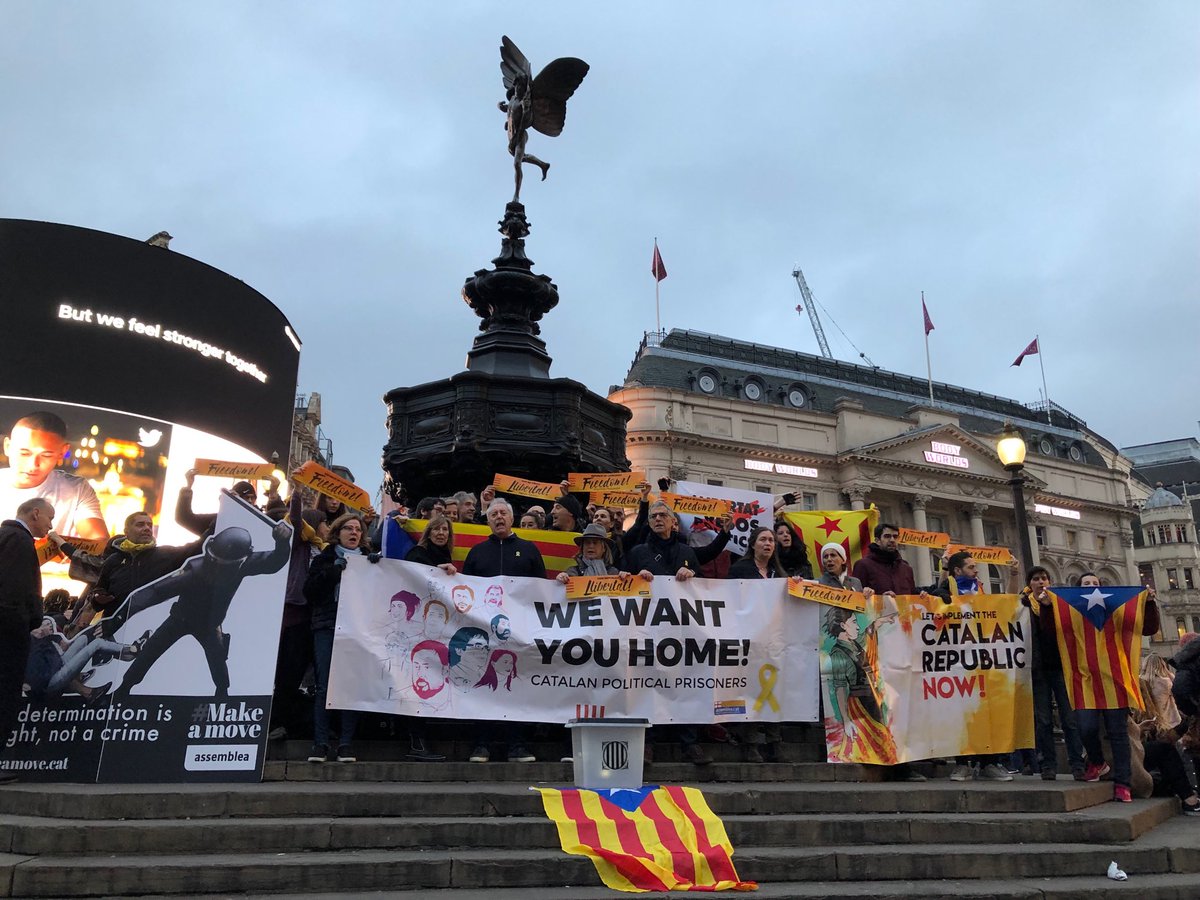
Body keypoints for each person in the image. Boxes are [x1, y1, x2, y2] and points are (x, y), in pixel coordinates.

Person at [112, 519, 291, 700]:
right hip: (181, 619)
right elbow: (154, 592)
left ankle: (222, 693)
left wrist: (282, 542)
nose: (218, 570)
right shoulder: (196, 571)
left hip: (209, 624)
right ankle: (124, 688)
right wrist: (118, 617)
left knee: (217, 660)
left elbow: (275, 561)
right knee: (151, 650)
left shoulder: (236, 565)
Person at [624, 499, 709, 765]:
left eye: (663, 515)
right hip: (648, 630)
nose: (658, 519)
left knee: (685, 683)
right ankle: (648, 744)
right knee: (649, 684)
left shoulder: (687, 551)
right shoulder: (638, 552)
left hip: (682, 630)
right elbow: (622, 580)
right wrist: (635, 577)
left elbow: (705, 590)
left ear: (674, 522)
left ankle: (689, 743)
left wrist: (692, 572)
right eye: (653, 516)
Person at [461, 497, 543, 763]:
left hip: (519, 632)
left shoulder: (529, 550)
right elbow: (464, 590)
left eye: (502, 513)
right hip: (483, 632)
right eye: (493, 514)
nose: (498, 517)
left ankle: (517, 745)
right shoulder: (477, 552)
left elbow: (542, 590)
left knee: (515, 685)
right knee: (483, 685)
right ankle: (481, 745)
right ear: (487, 520)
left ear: (511, 518)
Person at [1072, 572, 1160, 802]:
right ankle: (1097, 762)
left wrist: (1149, 603)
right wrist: (1047, 607)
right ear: (1077, 589)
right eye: (1086, 583)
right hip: (1085, 679)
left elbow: (1147, 628)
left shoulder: (1117, 610)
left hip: (1115, 678)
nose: (1091, 586)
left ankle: (1123, 783)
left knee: (1118, 733)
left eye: (1095, 583)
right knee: (1086, 727)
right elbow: (1051, 630)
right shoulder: (1071, 611)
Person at [933, 551, 1015, 782]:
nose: (976, 570)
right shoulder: (945, 590)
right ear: (957, 570)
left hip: (982, 661)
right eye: (971, 567)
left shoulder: (979, 590)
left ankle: (989, 763)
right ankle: (963, 764)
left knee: (986, 712)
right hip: (956, 663)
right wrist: (939, 597)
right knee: (961, 713)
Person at [303, 513, 368, 763]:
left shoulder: (370, 561)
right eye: (348, 528)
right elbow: (309, 592)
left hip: (357, 629)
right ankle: (320, 744)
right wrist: (333, 572)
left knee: (350, 685)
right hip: (328, 627)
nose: (354, 533)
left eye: (358, 529)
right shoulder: (324, 559)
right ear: (337, 533)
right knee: (324, 685)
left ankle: (345, 744)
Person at [0, 498, 54, 783]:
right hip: (9, 633)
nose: (51, 525)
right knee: (6, 692)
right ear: (35, 513)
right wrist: (29, 620)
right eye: (49, 518)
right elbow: (16, 589)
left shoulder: (6, 536)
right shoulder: (20, 541)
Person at [86, 512, 202, 634]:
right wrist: (98, 598)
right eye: (140, 524)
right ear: (127, 531)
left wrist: (214, 525)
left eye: (149, 525)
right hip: (113, 630)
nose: (147, 528)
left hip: (149, 630)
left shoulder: (166, 555)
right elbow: (99, 590)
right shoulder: (113, 560)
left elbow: (197, 547)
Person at [1021, 567, 1086, 781]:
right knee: (1043, 720)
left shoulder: (1060, 604)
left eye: (1044, 578)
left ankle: (1077, 764)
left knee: (1070, 718)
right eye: (1036, 579)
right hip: (1037, 668)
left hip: (1061, 666)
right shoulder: (1024, 605)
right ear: (1029, 584)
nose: (1041, 582)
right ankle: (1047, 764)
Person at [726, 526, 785, 761]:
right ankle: (750, 742)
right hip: (748, 639)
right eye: (763, 539)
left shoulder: (779, 573)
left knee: (773, 689)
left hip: (774, 640)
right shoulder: (739, 569)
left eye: (771, 540)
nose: (768, 543)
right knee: (750, 689)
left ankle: (774, 741)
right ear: (753, 544)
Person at [0, 412, 107, 541]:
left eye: (46, 455)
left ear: (62, 452)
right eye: (24, 453)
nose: (33, 464)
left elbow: (98, 541)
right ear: (7, 447)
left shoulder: (76, 490)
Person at [824, 605, 899, 765]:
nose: (857, 626)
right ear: (843, 625)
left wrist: (880, 621)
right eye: (853, 622)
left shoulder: (854, 643)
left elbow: (867, 633)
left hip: (872, 699)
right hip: (860, 704)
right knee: (871, 739)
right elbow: (840, 688)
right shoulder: (838, 654)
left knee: (882, 738)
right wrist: (846, 720)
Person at [176, 467, 277, 537]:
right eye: (246, 497)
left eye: (253, 498)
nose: (250, 501)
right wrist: (188, 487)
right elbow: (184, 518)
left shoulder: (261, 522)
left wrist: (273, 494)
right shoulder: (219, 520)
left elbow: (280, 525)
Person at [852, 523, 916, 596]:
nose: (892, 540)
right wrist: (881, 599)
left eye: (895, 537)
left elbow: (913, 596)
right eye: (887, 536)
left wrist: (922, 596)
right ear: (877, 540)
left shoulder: (906, 568)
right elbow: (854, 596)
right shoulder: (863, 565)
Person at [555, 524, 622, 581]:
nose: (591, 546)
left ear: (604, 548)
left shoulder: (613, 573)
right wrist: (561, 580)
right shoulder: (572, 572)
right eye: (587, 543)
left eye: (595, 543)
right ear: (582, 548)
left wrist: (623, 579)